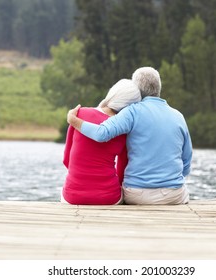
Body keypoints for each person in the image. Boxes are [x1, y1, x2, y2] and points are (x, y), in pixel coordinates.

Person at [67, 67, 192, 205]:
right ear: (159, 87)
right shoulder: (179, 116)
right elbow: (186, 161)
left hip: (137, 194)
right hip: (172, 194)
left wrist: (73, 120)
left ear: (136, 90)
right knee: (184, 191)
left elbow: (101, 133)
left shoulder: (131, 112)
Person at [62, 79, 141, 205]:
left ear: (112, 94)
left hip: (73, 195)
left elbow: (67, 160)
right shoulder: (124, 130)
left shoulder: (79, 114)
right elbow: (122, 169)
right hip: (108, 197)